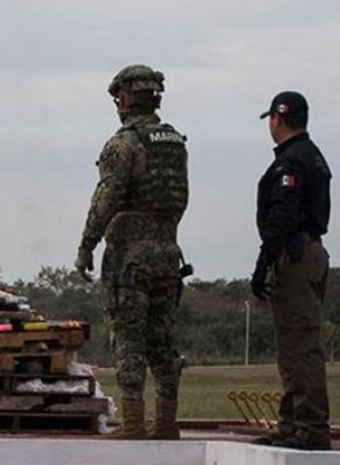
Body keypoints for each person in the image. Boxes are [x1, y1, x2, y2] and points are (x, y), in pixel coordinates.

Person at [75, 64, 189, 440]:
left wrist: (87, 244)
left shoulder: (123, 144)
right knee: (163, 339)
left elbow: (106, 198)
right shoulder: (173, 142)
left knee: (128, 336)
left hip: (130, 257)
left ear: (124, 98)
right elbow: (177, 198)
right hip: (168, 253)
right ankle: (167, 422)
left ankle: (135, 423)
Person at [250, 91, 332, 451]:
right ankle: (292, 423)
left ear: (277, 120)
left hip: (295, 256)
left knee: (300, 345)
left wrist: (264, 260)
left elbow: (283, 213)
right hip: (305, 252)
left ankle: (310, 428)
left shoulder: (291, 162)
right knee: (293, 346)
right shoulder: (309, 155)